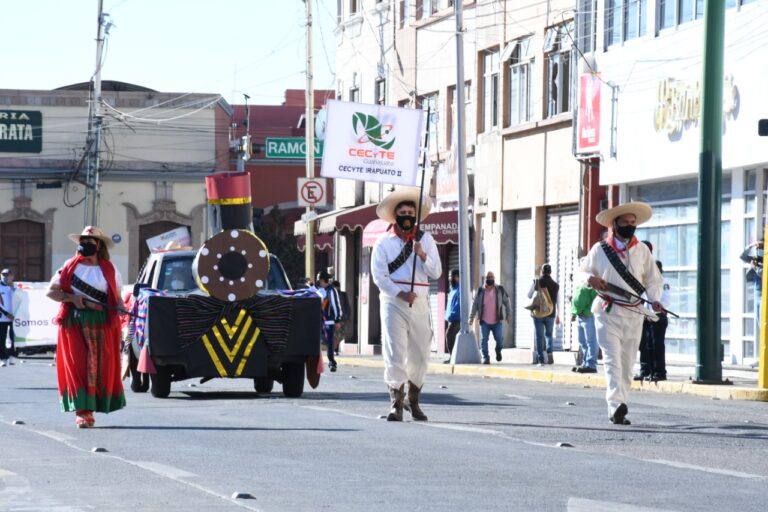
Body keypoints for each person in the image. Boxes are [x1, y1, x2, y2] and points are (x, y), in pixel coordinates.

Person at [581, 203, 663, 425]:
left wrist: (655, 300)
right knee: (612, 360)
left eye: (633, 223)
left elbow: (653, 279)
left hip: (634, 313)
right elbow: (582, 271)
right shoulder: (600, 249)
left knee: (627, 365)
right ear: (615, 224)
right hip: (608, 312)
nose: (630, 226)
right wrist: (590, 279)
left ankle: (619, 406)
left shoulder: (642, 250)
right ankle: (616, 405)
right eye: (626, 222)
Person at [371, 187, 441, 422]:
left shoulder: (426, 240)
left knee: (421, 352)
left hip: (420, 300)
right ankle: (396, 403)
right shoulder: (383, 242)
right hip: (393, 302)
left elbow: (437, 271)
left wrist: (422, 255)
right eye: (403, 211)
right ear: (395, 215)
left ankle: (414, 399)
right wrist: (400, 293)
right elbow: (379, 276)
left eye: (411, 211)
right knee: (395, 351)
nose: (407, 215)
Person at [46, 226, 127, 428]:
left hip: (101, 323)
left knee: (98, 367)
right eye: (83, 241)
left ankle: (95, 406)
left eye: (91, 242)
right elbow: (51, 292)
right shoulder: (69, 266)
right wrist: (72, 298)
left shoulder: (109, 269)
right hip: (75, 320)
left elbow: (117, 298)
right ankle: (82, 411)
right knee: (79, 365)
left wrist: (121, 308)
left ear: (99, 246)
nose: (86, 245)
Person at [635, 260, 671, 381]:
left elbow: (666, 300)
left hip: (658, 317)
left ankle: (659, 373)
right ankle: (645, 371)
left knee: (657, 346)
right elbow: (642, 298)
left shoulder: (664, 283)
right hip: (645, 317)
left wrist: (658, 306)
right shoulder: (646, 283)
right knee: (645, 345)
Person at [470, 271, 512, 364]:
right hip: (484, 321)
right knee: (483, 340)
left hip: (496, 321)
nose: (489, 279)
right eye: (488, 277)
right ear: (485, 279)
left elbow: (507, 302)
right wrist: (471, 317)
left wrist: (509, 314)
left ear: (494, 278)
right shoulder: (480, 291)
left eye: (491, 277)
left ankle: (498, 350)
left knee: (499, 340)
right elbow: (475, 305)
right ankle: (486, 358)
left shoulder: (500, 289)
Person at [527, 264, 560, 365]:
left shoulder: (537, 282)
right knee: (549, 335)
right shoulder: (555, 285)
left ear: (542, 271)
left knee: (539, 336)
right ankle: (549, 356)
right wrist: (558, 315)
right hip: (551, 313)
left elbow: (529, 295)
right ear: (550, 272)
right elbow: (558, 301)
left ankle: (541, 359)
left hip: (538, 313)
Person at [741, 239, 763, 359]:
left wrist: (755, 268)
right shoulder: (755, 259)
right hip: (756, 293)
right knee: (759, 322)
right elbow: (742, 256)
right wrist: (752, 245)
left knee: (762, 324)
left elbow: (763, 274)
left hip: (763, 294)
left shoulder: (761, 264)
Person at [316, 271, 342, 372]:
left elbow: (336, 305)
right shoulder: (321, 290)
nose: (319, 283)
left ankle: (332, 362)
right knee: (319, 342)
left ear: (323, 280)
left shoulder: (331, 290)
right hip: (320, 321)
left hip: (329, 321)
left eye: (320, 281)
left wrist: (337, 319)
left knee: (330, 343)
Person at [570, 283, 598, 373]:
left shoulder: (592, 286)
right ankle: (585, 363)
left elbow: (596, 300)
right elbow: (576, 299)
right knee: (582, 341)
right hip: (579, 316)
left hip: (587, 316)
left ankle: (591, 365)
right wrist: (573, 313)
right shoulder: (580, 284)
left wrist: (588, 311)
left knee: (591, 341)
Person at [444, 269, 461, 363]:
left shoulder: (460, 289)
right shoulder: (452, 289)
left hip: (457, 318)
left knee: (449, 335)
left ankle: (452, 357)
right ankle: (453, 357)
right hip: (452, 318)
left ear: (457, 277)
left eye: (452, 276)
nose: (450, 278)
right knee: (452, 336)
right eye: (450, 276)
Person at [0, 268, 15, 366]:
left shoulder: (16, 287)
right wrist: (6, 314)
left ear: (12, 276)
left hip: (14, 318)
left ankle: (12, 356)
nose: (5, 277)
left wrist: (13, 288)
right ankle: (2, 358)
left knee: (13, 337)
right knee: (1, 338)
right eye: (4, 275)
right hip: (2, 317)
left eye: (8, 275)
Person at [332, 280, 352, 355]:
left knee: (342, 335)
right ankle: (335, 349)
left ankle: (335, 348)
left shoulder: (343, 294)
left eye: (335, 287)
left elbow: (347, 306)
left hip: (342, 318)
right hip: (334, 318)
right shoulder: (331, 295)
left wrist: (348, 316)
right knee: (335, 334)